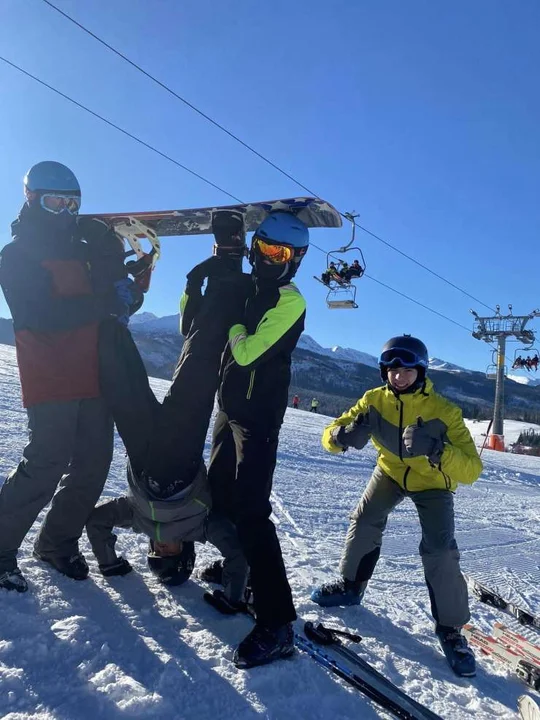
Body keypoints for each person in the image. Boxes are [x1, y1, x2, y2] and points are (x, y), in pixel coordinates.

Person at [90, 210, 251, 610]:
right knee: (200, 351)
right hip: (181, 445)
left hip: (141, 447)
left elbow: (96, 522)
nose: (161, 544)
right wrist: (232, 595)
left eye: (155, 551)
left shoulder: (135, 518)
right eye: (169, 551)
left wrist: (109, 565)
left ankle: (105, 260)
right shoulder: (202, 526)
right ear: (186, 551)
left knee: (113, 364)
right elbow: (237, 554)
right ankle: (229, 255)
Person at [311, 335, 482, 678]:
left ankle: (451, 629)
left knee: (440, 549)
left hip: (433, 482)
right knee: (365, 518)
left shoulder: (444, 412)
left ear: (420, 371)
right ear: (384, 371)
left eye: (406, 368)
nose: (399, 375)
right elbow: (328, 432)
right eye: (392, 368)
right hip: (390, 472)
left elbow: (472, 469)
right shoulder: (373, 400)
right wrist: (341, 436)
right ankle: (350, 586)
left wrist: (436, 450)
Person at [0, 161, 134, 593]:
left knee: (94, 463)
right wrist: (102, 301)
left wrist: (117, 272)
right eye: (56, 202)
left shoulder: (81, 248)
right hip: (50, 369)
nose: (65, 212)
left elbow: (113, 300)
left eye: (72, 204)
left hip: (92, 370)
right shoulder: (15, 255)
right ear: (32, 199)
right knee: (46, 460)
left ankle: (57, 542)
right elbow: (41, 313)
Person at [206, 211, 308, 668]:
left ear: (295, 260)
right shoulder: (252, 288)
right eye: (266, 248)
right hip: (228, 411)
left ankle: (277, 623)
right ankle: (238, 575)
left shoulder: (290, 301)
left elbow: (246, 352)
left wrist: (232, 325)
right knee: (219, 497)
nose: (271, 259)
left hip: (258, 422)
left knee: (251, 513)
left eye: (281, 253)